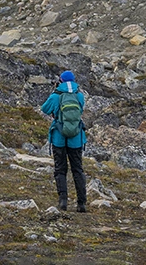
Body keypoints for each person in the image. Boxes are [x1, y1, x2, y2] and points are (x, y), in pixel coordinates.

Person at [42, 70, 87, 213]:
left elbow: (44, 109)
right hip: (76, 138)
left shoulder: (56, 96)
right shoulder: (79, 95)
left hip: (58, 138)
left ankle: (63, 201)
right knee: (77, 169)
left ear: (60, 81)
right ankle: (81, 203)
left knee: (60, 169)